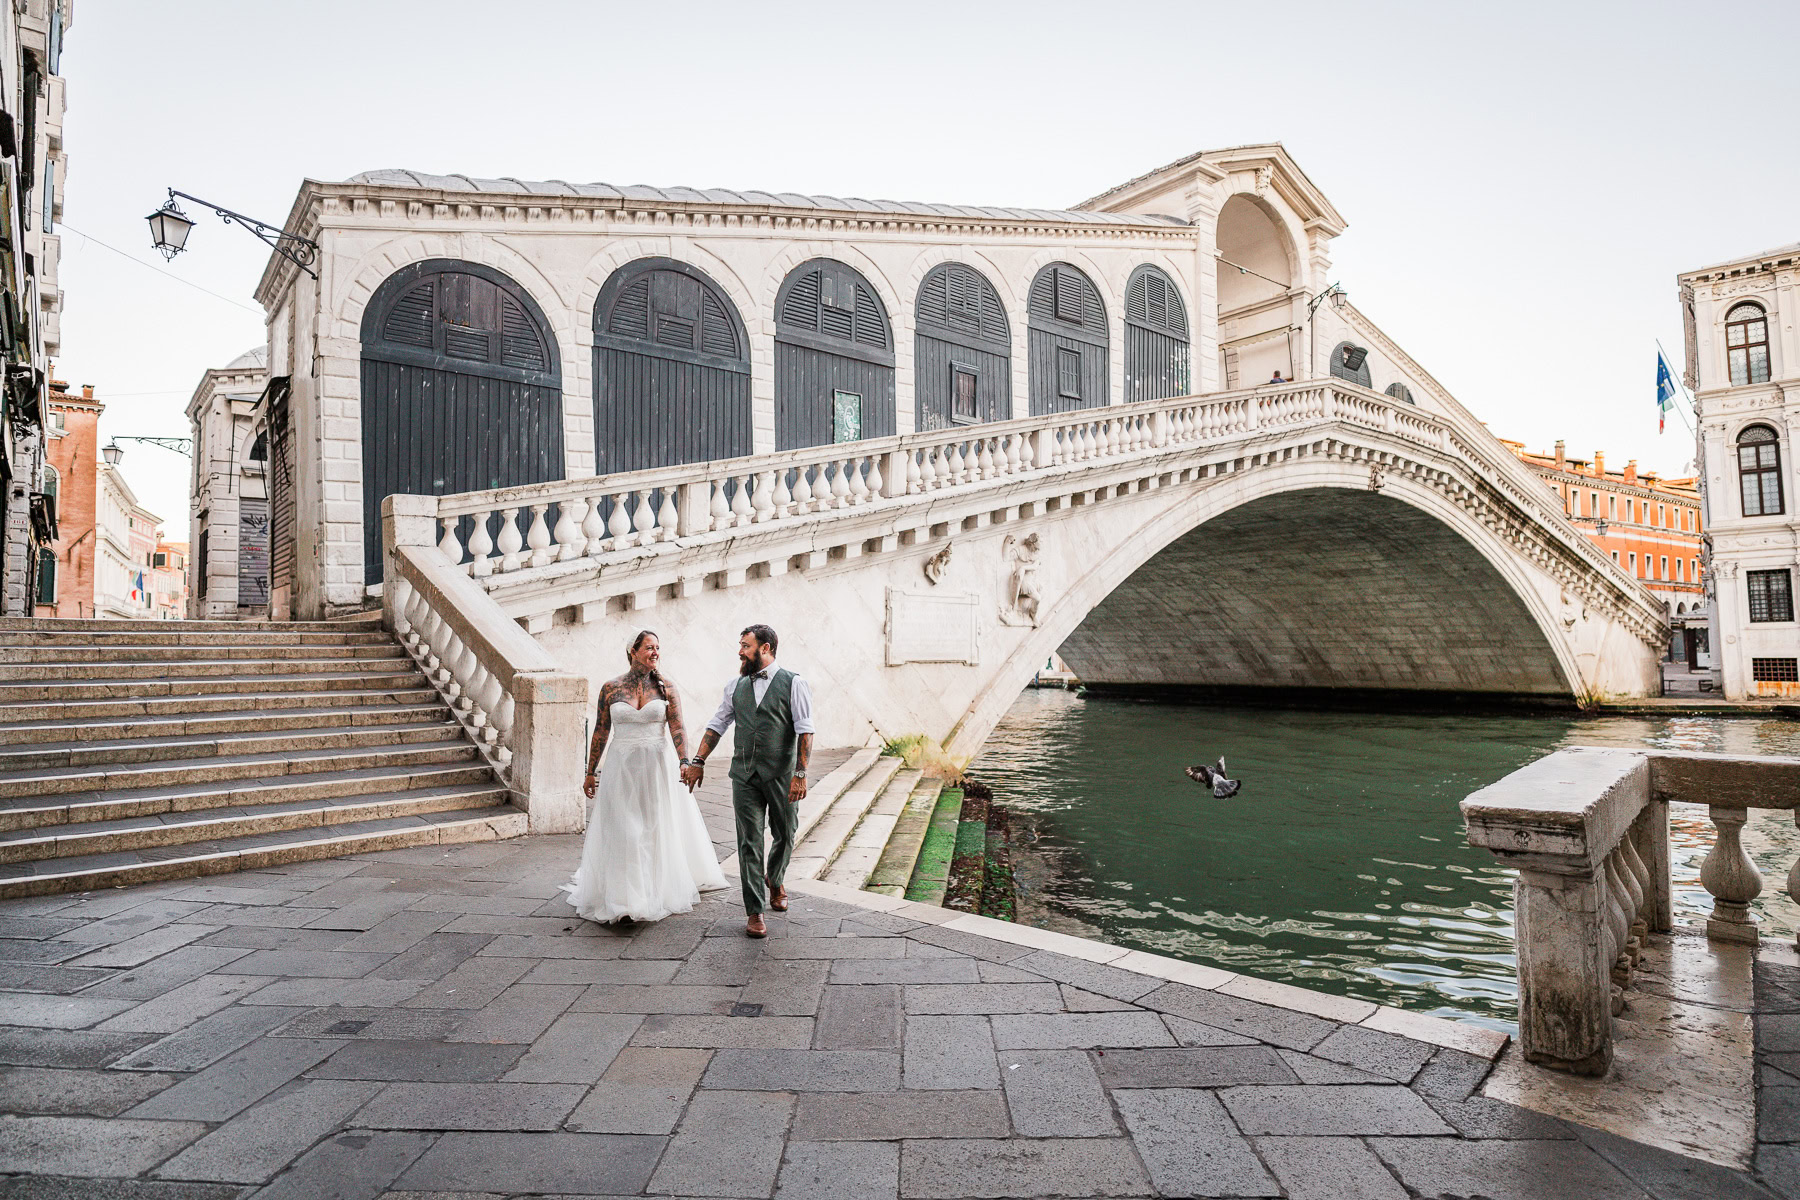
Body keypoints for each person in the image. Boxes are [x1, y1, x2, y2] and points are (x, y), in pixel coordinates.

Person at [565, 631, 726, 924]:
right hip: (621, 767)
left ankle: (652, 889)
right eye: (649, 647)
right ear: (633, 651)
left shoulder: (667, 688)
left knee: (652, 828)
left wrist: (685, 762)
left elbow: (677, 727)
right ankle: (626, 899)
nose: (655, 652)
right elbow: (601, 731)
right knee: (625, 829)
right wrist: (590, 772)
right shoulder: (611, 688)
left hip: (656, 766)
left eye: (658, 648)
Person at [680, 624, 814, 938]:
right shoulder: (735, 685)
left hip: (781, 775)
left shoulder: (795, 683)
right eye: (741, 645)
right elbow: (717, 725)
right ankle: (754, 911)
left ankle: (775, 877)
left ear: (765, 648)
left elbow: (805, 730)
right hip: (744, 775)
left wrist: (800, 774)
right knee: (748, 842)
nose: (740, 651)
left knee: (786, 832)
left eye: (745, 646)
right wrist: (698, 761)